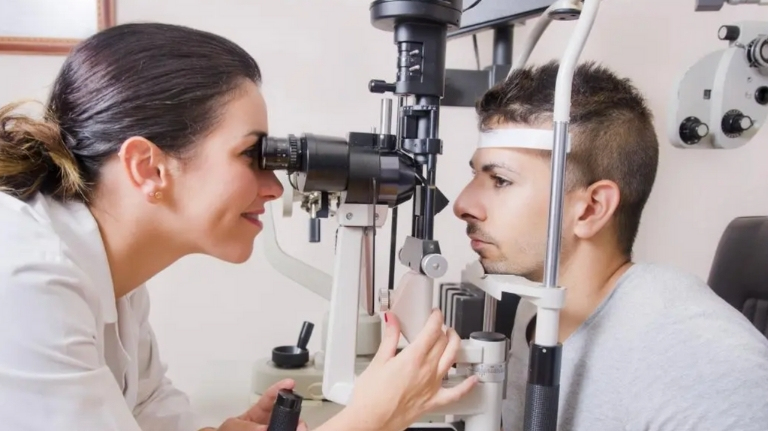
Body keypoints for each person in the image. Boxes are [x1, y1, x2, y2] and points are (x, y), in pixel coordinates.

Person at [0, 22, 477, 431]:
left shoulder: (118, 282)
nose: (273, 187)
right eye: (251, 156)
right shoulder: (26, 278)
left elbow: (146, 414)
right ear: (148, 167)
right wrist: (373, 417)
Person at [452, 61, 768, 430]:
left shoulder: (705, 367)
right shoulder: (538, 306)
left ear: (591, 209)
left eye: (501, 180)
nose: (463, 204)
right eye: (476, 175)